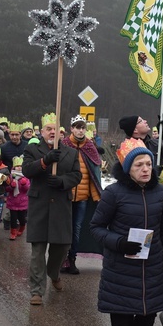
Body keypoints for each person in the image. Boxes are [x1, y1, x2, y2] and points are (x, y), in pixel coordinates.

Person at [90, 138, 163, 326]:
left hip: (151, 267)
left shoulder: (160, 192)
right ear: (128, 168)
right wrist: (119, 242)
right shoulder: (114, 193)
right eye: (139, 164)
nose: (145, 169)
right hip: (121, 267)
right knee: (121, 321)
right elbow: (96, 228)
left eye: (148, 163)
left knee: (147, 317)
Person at [22, 113, 82, 306]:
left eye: (56, 130)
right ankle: (37, 290)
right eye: (49, 129)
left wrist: (62, 181)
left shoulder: (71, 152)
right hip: (39, 205)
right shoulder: (32, 149)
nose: (52, 132)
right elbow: (27, 170)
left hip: (61, 206)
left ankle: (53, 273)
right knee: (38, 250)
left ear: (61, 133)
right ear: (42, 131)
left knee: (62, 246)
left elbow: (76, 176)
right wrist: (45, 161)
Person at [60, 115, 102, 275]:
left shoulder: (90, 147)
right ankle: (61, 259)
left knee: (76, 229)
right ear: (71, 128)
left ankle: (72, 259)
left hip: (83, 198)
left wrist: (97, 195)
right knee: (64, 229)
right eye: (77, 127)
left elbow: (93, 174)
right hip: (65, 196)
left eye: (82, 127)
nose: (80, 130)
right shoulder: (64, 145)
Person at [6, 156, 29, 240]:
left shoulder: (26, 177)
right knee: (13, 219)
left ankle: (22, 227)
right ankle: (13, 232)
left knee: (22, 219)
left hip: (22, 202)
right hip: (13, 201)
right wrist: (11, 186)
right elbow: (7, 189)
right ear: (14, 167)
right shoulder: (11, 176)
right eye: (17, 166)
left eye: (20, 166)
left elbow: (28, 189)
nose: (19, 168)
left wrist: (24, 184)